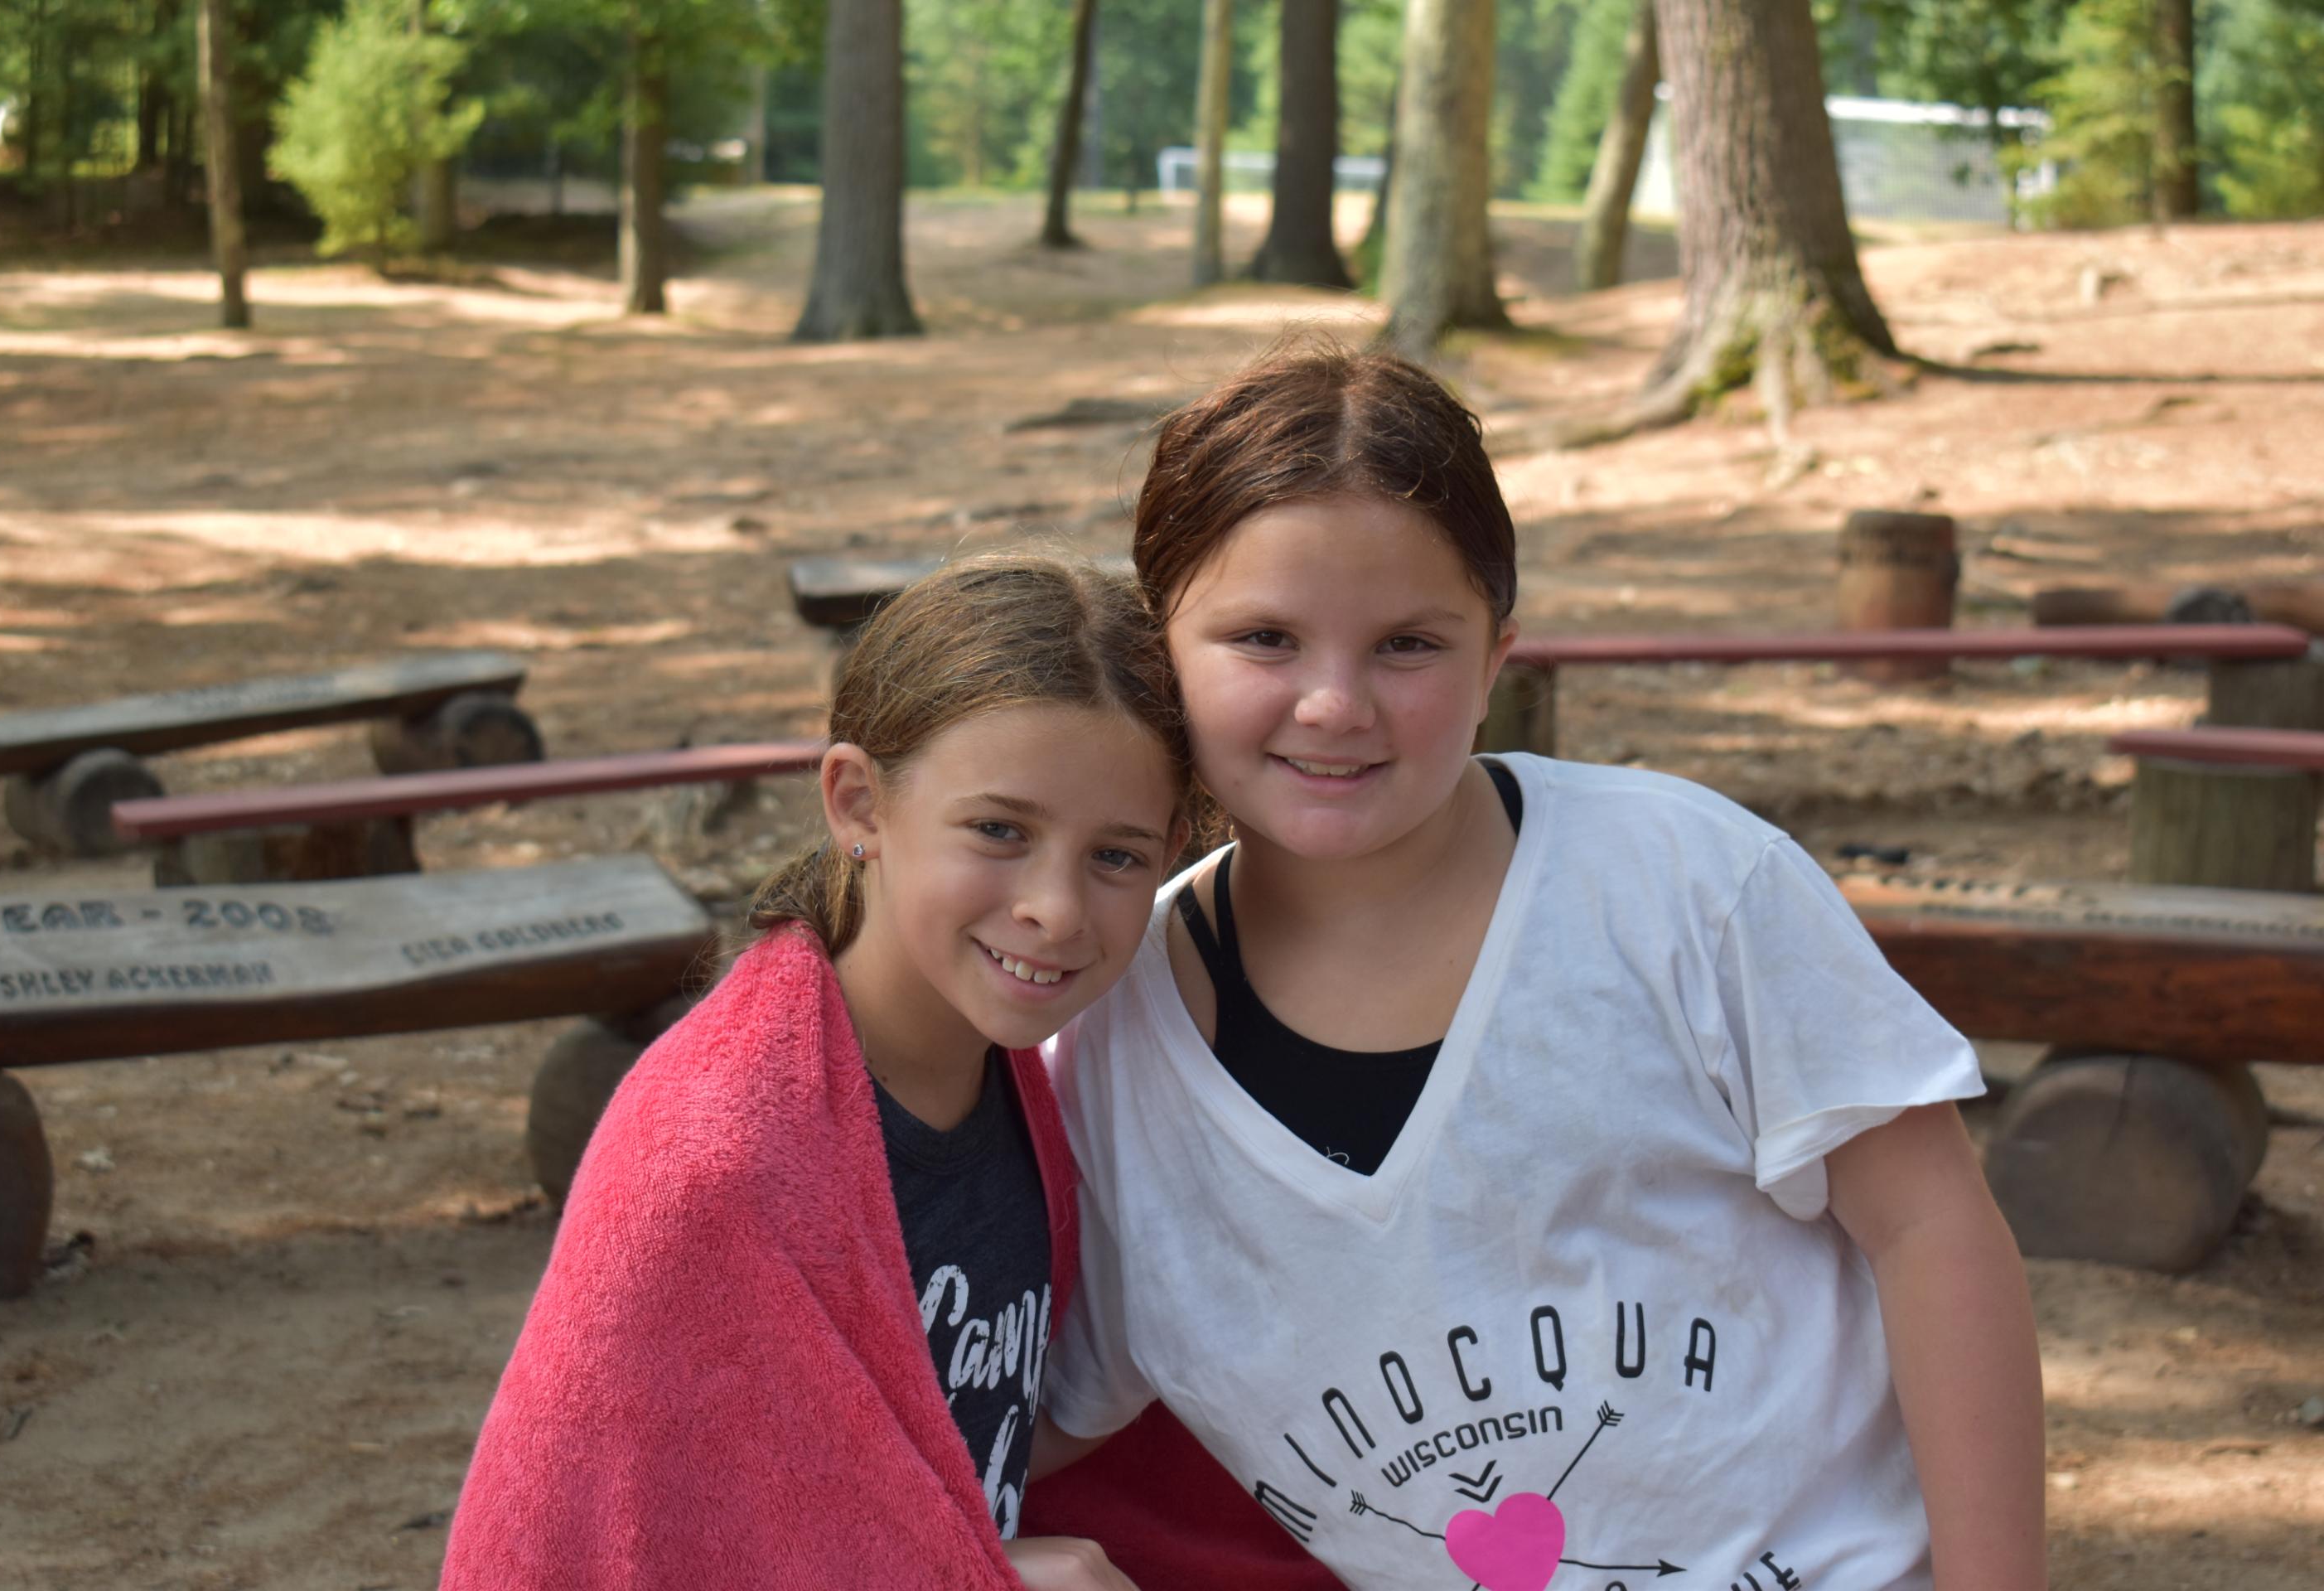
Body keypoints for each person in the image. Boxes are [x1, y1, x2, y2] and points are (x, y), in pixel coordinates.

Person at [1021, 345, 2047, 1591]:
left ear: (1496, 658)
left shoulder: (1687, 886)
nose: (1335, 704)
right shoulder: (1108, 1030)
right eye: (1265, 638)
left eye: (1408, 644)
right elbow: (1033, 1400)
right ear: (1159, 654)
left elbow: (1932, 1229)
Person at [441, 555, 1189, 1591]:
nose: (1055, 910)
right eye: (999, 831)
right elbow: (620, 1550)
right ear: (858, 804)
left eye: (1117, 856)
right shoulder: (718, 1164)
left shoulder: (1039, 1087)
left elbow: (969, 1446)